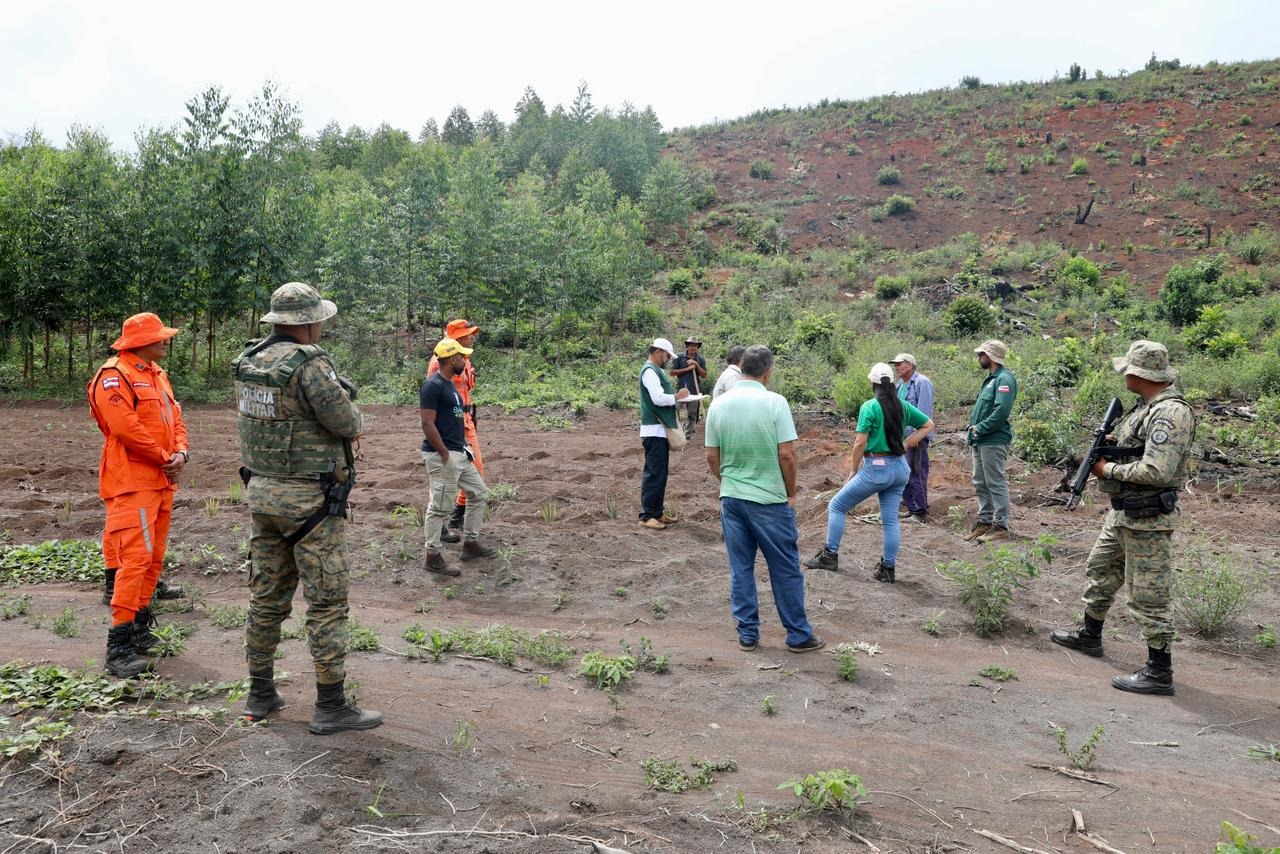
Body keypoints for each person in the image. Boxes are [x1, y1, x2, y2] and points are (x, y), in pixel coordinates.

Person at [233, 282, 382, 734]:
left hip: (262, 495)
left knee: (266, 598)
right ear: (309, 322)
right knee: (327, 603)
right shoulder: (311, 365)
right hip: (311, 504)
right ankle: (331, 705)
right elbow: (347, 422)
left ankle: (260, 693)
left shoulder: (250, 361)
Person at [1051, 341, 1194, 695]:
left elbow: (1158, 470)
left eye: (1128, 369)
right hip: (1123, 513)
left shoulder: (1170, 413)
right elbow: (1140, 448)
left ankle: (1160, 671)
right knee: (1100, 570)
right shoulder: (1144, 408)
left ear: (1140, 374)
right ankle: (1090, 635)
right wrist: (1115, 444)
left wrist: (1107, 468)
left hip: (1148, 518)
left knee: (1149, 594)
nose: (1124, 374)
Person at [87, 313, 190, 678]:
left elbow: (175, 418)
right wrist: (165, 458)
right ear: (140, 342)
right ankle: (118, 649)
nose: (166, 341)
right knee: (134, 560)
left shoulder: (157, 375)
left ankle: (140, 629)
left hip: (161, 481)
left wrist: (181, 452)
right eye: (160, 337)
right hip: (132, 481)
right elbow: (125, 428)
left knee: (152, 559)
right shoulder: (114, 376)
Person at [705, 346, 824, 653]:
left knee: (741, 568)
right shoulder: (775, 402)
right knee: (784, 567)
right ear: (768, 372)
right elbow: (787, 454)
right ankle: (798, 635)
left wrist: (727, 481)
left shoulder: (718, 405)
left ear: (740, 367)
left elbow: (710, 455)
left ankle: (747, 634)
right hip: (769, 499)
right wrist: (790, 492)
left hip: (732, 498)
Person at [804, 363, 934, 581]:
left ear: (873, 383)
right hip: (900, 468)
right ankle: (888, 569)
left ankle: (829, 555)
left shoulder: (869, 407)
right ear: (892, 383)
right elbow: (928, 424)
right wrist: (907, 443)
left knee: (836, 505)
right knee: (890, 520)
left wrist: (854, 470)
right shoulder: (902, 406)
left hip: (876, 468)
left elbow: (859, 443)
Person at [420, 338, 497, 576]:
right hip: (443, 456)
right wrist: (444, 454)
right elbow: (427, 424)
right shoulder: (433, 386)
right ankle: (432, 556)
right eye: (462, 356)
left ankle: (471, 544)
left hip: (459, 453)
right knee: (439, 508)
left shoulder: (450, 384)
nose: (466, 360)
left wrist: (463, 447)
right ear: (451, 359)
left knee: (479, 493)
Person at [426, 319, 484, 543]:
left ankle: (457, 519)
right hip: (450, 425)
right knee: (444, 478)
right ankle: (440, 526)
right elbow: (434, 400)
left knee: (475, 472)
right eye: (468, 334)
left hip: (466, 421)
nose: (471, 337)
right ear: (456, 337)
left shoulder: (464, 359)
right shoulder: (440, 362)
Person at [966, 339, 1017, 543]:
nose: (979, 357)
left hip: (992, 439)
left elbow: (1001, 411)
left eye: (982, 354)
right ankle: (985, 522)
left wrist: (981, 427)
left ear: (991, 356)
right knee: (980, 481)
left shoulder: (1004, 379)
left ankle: (1000, 525)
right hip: (980, 439)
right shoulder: (991, 379)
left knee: (994, 481)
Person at [638, 337, 690, 530]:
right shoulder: (650, 371)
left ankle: (656, 513)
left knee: (660, 473)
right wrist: (677, 396)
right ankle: (647, 516)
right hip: (654, 429)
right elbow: (658, 399)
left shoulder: (654, 371)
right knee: (653, 473)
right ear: (658, 352)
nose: (668, 359)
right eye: (667, 355)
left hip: (659, 430)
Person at [892, 353, 934, 523]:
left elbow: (924, 412)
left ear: (909, 365)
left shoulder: (922, 382)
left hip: (916, 436)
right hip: (901, 437)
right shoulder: (899, 385)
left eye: (899, 364)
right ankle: (912, 508)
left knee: (916, 472)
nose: (896, 367)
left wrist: (917, 437)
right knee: (903, 473)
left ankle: (920, 511)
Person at [669, 336, 707, 438]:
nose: (693, 347)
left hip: (694, 390)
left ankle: (687, 435)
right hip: (681, 391)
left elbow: (704, 375)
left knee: (692, 414)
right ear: (687, 346)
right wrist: (687, 369)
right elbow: (672, 372)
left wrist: (696, 364)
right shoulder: (679, 357)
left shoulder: (700, 359)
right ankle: (674, 430)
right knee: (673, 409)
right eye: (691, 345)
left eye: (695, 345)